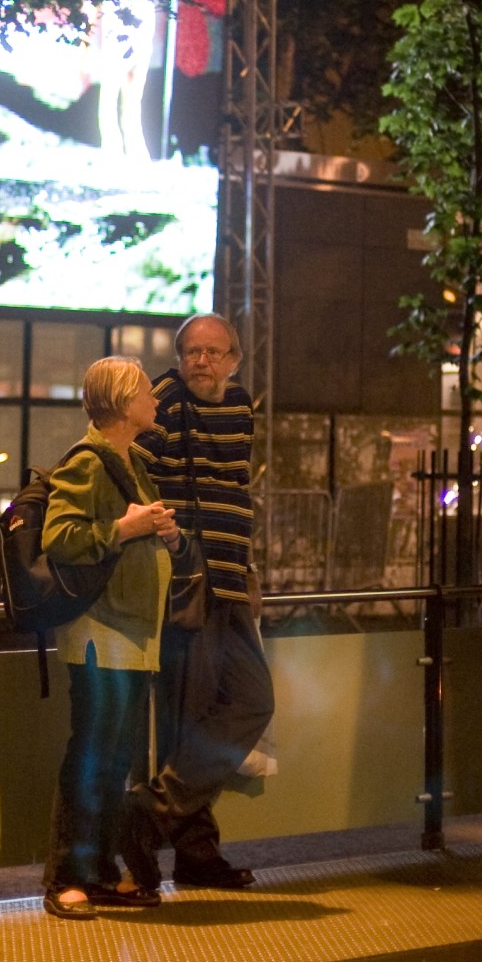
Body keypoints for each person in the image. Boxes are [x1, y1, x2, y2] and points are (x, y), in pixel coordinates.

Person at [125, 313, 274, 892]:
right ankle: (195, 853)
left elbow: (234, 491)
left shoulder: (240, 407)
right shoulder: (162, 402)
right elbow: (139, 478)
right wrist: (179, 548)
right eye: (192, 352)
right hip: (189, 585)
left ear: (234, 358)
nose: (201, 362)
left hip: (233, 581)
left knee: (252, 701)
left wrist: (245, 566)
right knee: (191, 720)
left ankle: (152, 812)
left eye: (213, 352)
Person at [42, 356, 182, 920]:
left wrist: (163, 534)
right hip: (103, 635)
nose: (156, 401)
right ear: (125, 403)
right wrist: (127, 527)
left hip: (128, 635)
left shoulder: (128, 460)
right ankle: (67, 877)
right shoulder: (89, 462)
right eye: (148, 392)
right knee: (94, 755)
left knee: (112, 757)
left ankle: (96, 872)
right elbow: (60, 538)